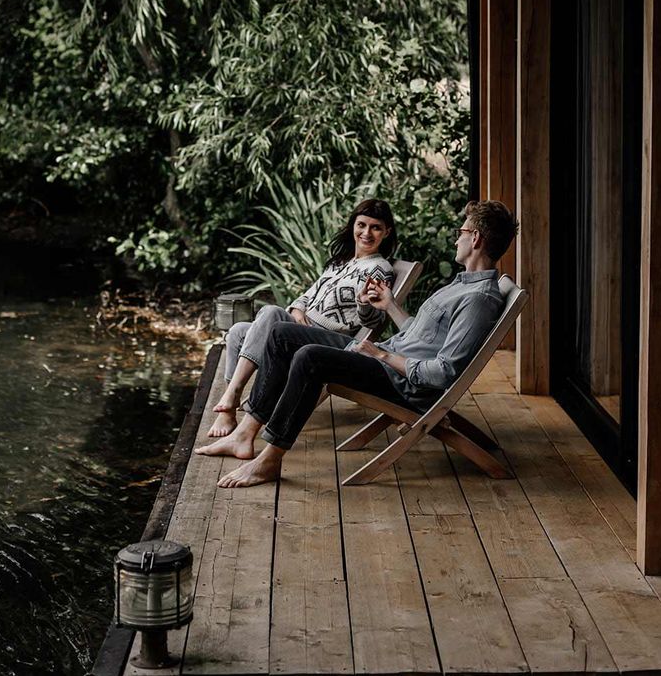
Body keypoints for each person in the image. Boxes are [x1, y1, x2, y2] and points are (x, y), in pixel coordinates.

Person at [195, 199, 519, 488]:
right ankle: (245, 433)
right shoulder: (460, 286)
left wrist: (380, 353)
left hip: (400, 381)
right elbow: (419, 337)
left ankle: (270, 459)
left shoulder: (478, 299)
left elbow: (443, 373)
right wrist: (390, 305)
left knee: (310, 357)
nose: (456, 237)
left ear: (475, 238)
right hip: (387, 361)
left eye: (462, 231)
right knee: (281, 332)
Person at [206, 198, 397, 437]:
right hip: (300, 326)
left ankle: (233, 393)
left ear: (386, 232)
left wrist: (362, 303)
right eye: (362, 225)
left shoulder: (379, 270)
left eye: (375, 227)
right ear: (353, 226)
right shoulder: (341, 262)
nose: (366, 233)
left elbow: (374, 321)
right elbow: (306, 296)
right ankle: (228, 413)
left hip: (326, 338)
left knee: (271, 312)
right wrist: (297, 310)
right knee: (237, 332)